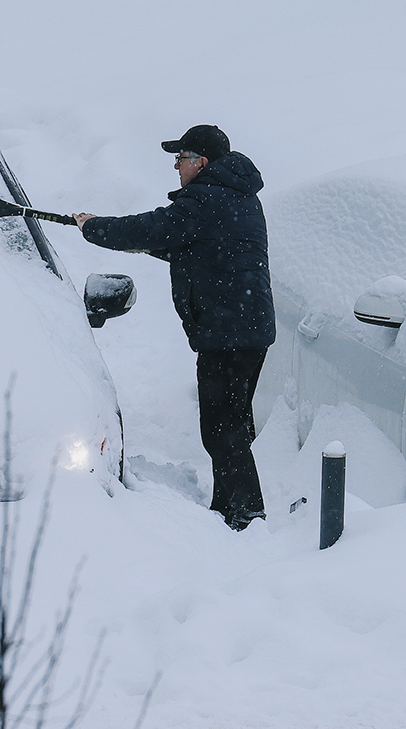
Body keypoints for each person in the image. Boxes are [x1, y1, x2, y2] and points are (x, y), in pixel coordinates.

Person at [73, 125, 275, 531]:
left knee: (223, 429)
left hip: (228, 332)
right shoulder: (236, 195)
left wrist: (94, 227)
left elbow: (153, 228)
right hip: (244, 328)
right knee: (231, 424)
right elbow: (186, 245)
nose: (176, 168)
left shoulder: (207, 198)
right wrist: (139, 242)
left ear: (201, 162)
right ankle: (230, 507)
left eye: (180, 159)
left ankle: (247, 514)